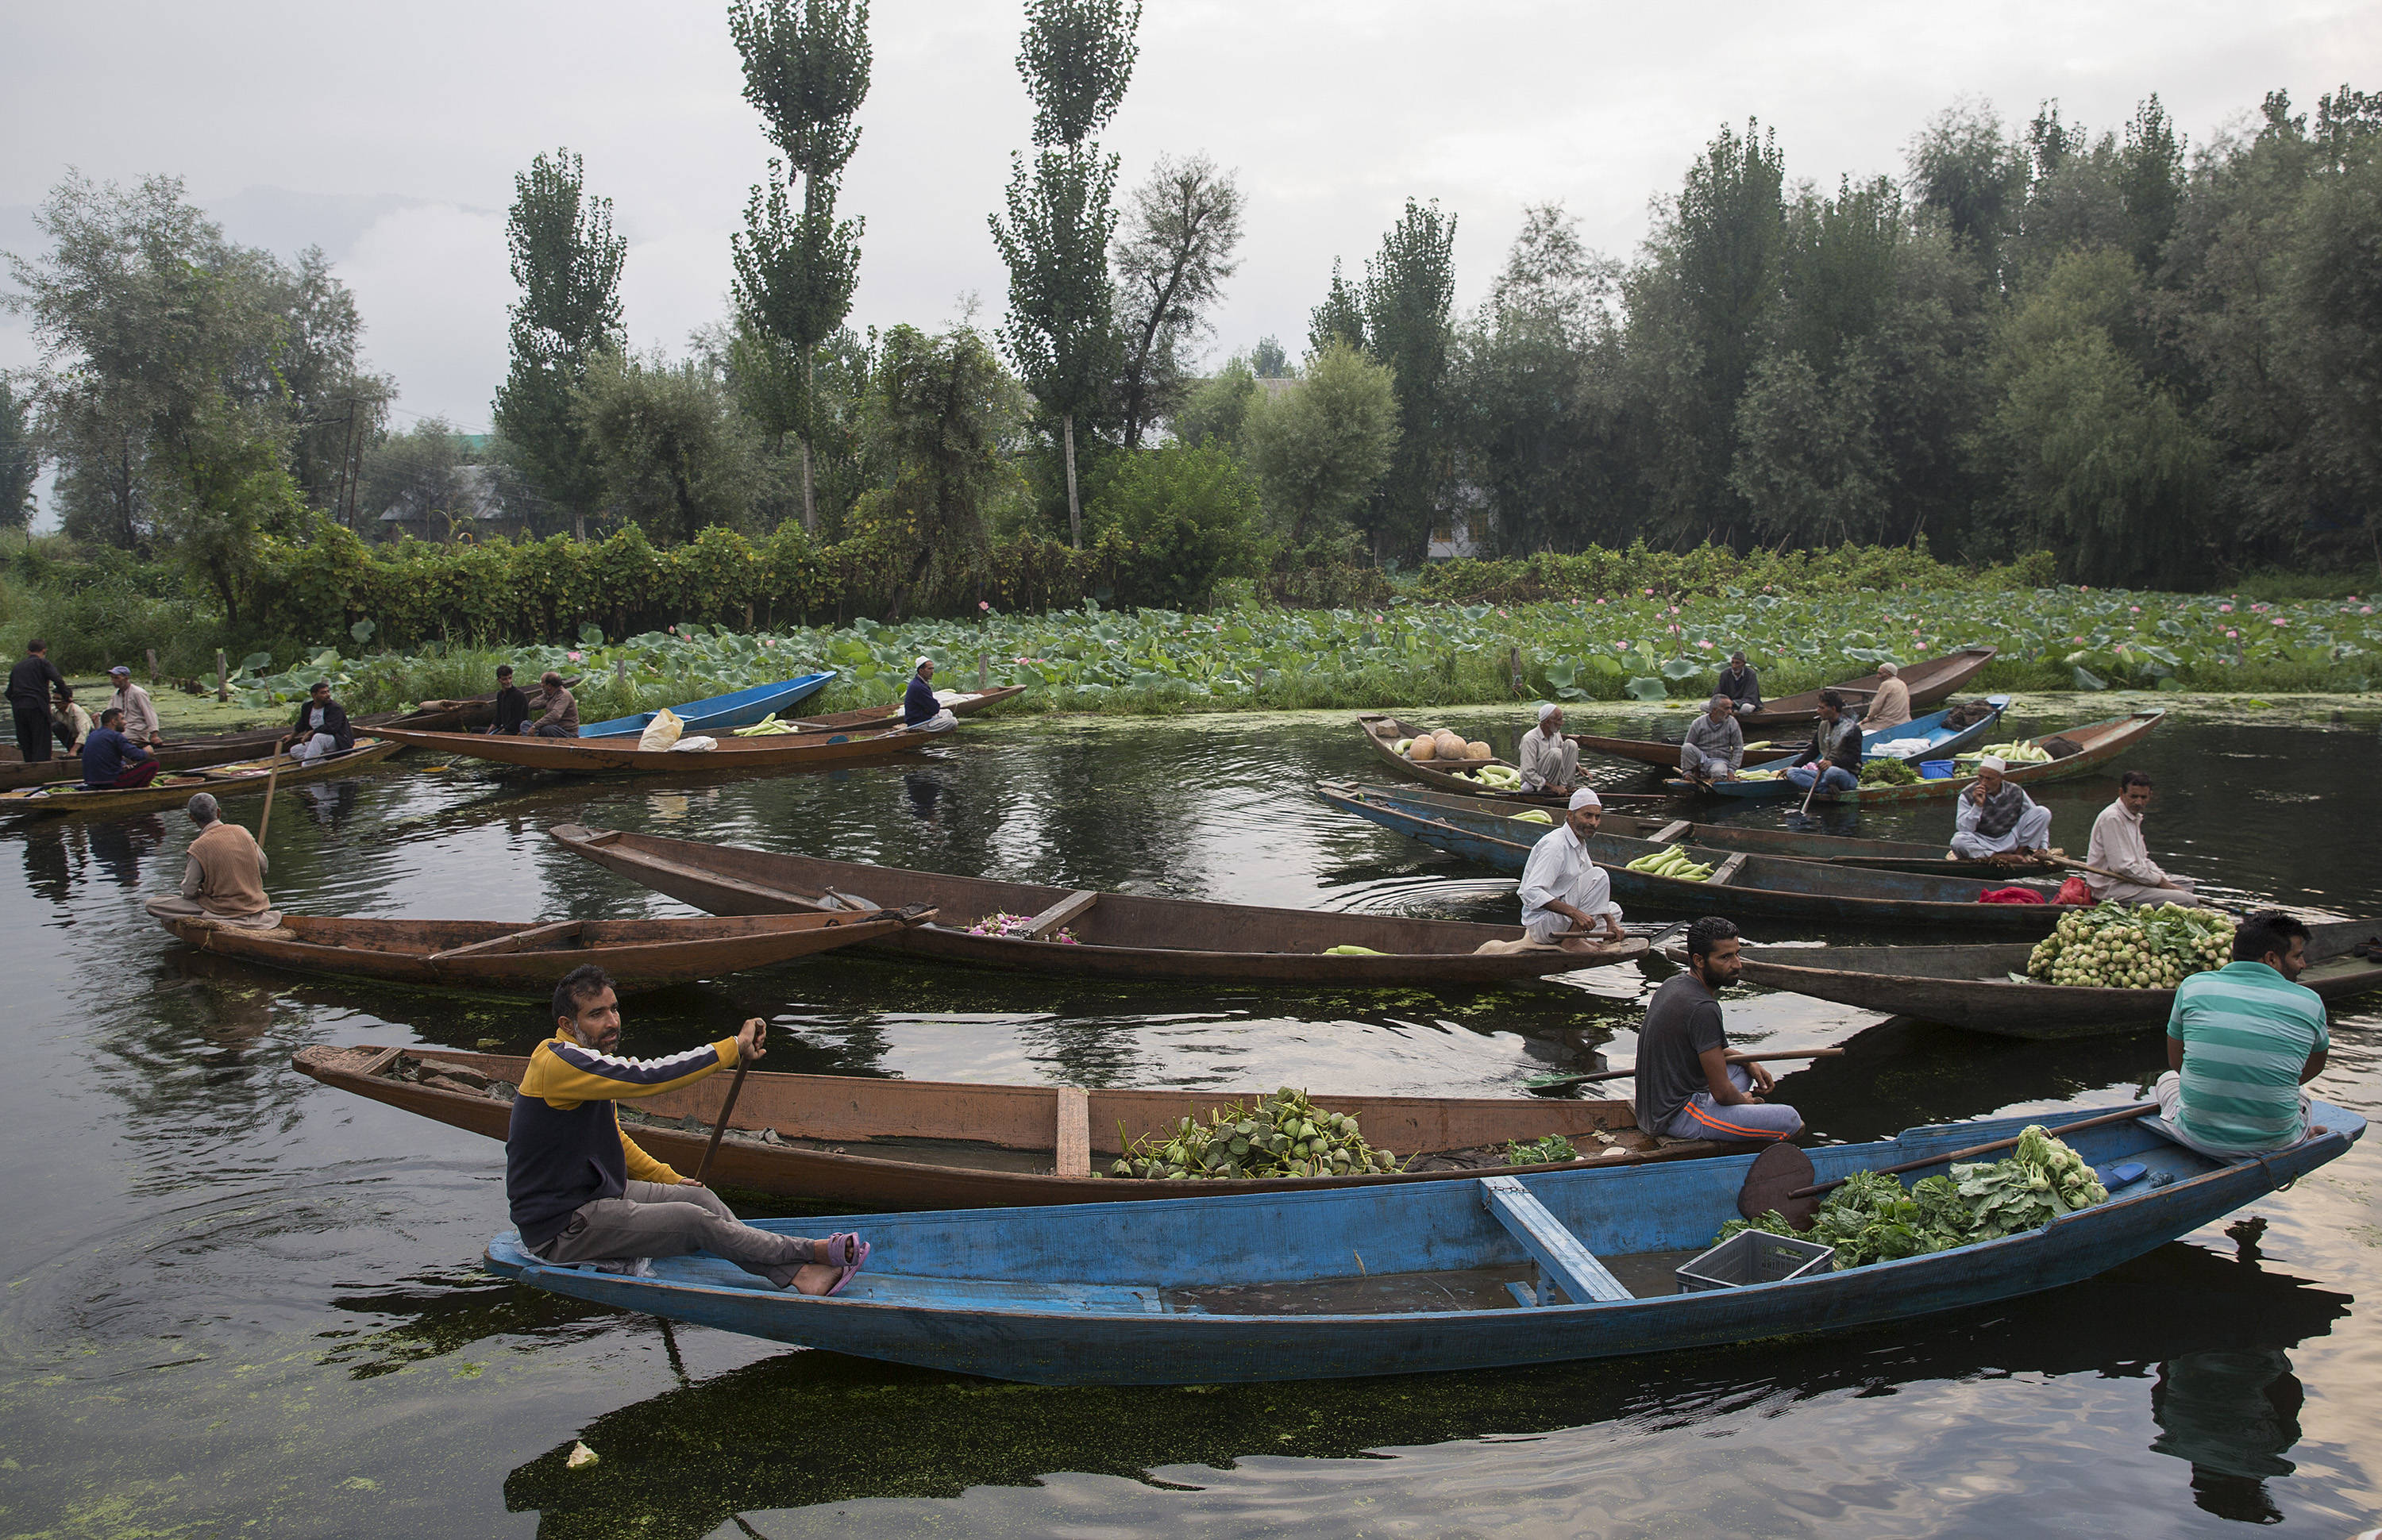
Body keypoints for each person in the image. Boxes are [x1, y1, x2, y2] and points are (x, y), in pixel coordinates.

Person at [508, 965, 868, 1294]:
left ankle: (797, 1274)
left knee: (699, 1199)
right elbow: (650, 1076)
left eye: (614, 1009)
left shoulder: (590, 1064)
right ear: (568, 1025)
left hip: (598, 1195)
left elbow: (614, 1138)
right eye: (596, 1014)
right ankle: (810, 1253)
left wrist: (671, 1179)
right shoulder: (560, 1063)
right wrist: (732, 1048)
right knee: (693, 1221)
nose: (613, 1022)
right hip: (562, 1227)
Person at [2153, 911, 2330, 1158]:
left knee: (2167, 1079)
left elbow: (2177, 1064)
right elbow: (2314, 1067)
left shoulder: (2193, 986)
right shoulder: (2311, 1002)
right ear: (2271, 959)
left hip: (2195, 1137)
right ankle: (2300, 1132)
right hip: (2277, 1141)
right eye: (2297, 956)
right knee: (2300, 1096)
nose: (2303, 965)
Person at [1634, 916, 1803, 1144]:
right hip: (1675, 1116)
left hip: (1659, 1105)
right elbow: (1723, 1093)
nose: (1737, 964)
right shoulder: (1704, 1008)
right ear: (1699, 960)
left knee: (1742, 1069)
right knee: (1791, 1120)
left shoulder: (1673, 984)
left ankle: (1733, 1108)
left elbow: (1713, 1054)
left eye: (1737, 953)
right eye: (1725, 957)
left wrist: (1749, 1061)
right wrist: (1745, 1103)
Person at [143, 792, 279, 928]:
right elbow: (264, 868)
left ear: (191, 818)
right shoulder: (242, 831)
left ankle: (224, 919)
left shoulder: (198, 847)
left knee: (153, 904)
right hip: (255, 904)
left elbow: (189, 891)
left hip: (222, 910)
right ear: (218, 812)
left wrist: (203, 893)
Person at [1517, 787, 1625, 949]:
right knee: (1599, 875)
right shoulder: (1555, 845)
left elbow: (1592, 890)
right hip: (1542, 924)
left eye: (1597, 817)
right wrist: (1576, 914)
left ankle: (1579, 937)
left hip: (1561, 921)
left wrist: (1611, 923)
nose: (1593, 823)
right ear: (1570, 816)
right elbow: (1531, 892)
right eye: (1587, 815)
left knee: (1614, 910)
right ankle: (1572, 941)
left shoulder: (1579, 843)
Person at [2087, 771, 2199, 906]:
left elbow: (2143, 860)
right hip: (2114, 888)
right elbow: (2122, 867)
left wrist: (2162, 878)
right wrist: (2160, 882)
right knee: (2189, 900)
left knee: (2186, 884)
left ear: (2150, 796)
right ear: (2121, 793)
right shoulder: (2113, 818)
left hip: (2133, 881)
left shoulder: (2134, 817)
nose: (2139, 802)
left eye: (2143, 797)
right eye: (2134, 796)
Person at [1952, 755, 2052, 860]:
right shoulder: (1967, 794)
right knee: (1958, 841)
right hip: (1982, 841)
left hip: (2010, 838)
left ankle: (2020, 852)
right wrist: (1977, 806)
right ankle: (1998, 857)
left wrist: (2043, 847)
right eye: (1980, 777)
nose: (1984, 783)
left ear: (2001, 778)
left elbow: (2039, 819)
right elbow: (1964, 829)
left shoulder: (2015, 791)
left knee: (2043, 812)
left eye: (1989, 779)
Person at [1783, 690, 1860, 794]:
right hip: (1823, 773)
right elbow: (1814, 750)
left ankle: (1819, 787)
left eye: (1822, 708)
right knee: (1792, 773)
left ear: (1833, 709)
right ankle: (1825, 790)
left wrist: (1832, 763)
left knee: (1832, 772)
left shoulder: (1852, 728)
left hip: (1845, 775)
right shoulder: (1823, 725)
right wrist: (1794, 765)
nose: (1818, 711)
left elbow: (1854, 757)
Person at [7, 638, 71, 763]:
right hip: (37, 706)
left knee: (25, 740)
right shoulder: (43, 663)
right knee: (41, 740)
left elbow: (9, 692)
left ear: (28, 652)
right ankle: (42, 768)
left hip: (18, 708)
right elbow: (58, 680)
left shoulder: (17, 667)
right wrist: (67, 696)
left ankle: (29, 767)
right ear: (44, 651)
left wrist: (19, 702)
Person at [78, 707, 160, 788]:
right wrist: (147, 752)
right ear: (114, 722)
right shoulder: (116, 736)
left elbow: (108, 756)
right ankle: (140, 790)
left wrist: (123, 764)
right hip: (111, 782)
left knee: (126, 765)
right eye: (122, 719)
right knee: (153, 763)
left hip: (92, 781)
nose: (125, 722)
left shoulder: (93, 734)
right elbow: (136, 756)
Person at [1679, 695, 1745, 785]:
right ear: (1714, 710)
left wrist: (1732, 769)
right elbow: (1688, 745)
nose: (1730, 712)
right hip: (1701, 758)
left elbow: (1738, 747)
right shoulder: (1698, 722)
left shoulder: (1732, 723)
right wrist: (1686, 771)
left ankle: (1708, 774)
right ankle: (1694, 773)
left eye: (1731, 708)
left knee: (1718, 773)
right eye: (1726, 709)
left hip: (1720, 760)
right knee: (1687, 747)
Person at [287, 681, 354, 764]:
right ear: (314, 695)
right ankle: (321, 762)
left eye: (328, 692)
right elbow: (302, 723)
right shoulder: (307, 707)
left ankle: (307, 766)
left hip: (337, 741)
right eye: (323, 693)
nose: (328, 695)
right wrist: (291, 736)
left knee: (318, 737)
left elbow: (331, 728)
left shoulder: (335, 708)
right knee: (295, 750)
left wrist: (311, 732)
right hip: (318, 742)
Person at [1517, 702, 1578, 793]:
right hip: (1536, 784)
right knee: (1556, 753)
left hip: (1556, 778)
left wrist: (1578, 767)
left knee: (1571, 744)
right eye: (1559, 720)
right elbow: (1527, 773)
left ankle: (1568, 787)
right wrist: (1552, 787)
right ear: (1547, 723)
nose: (1562, 723)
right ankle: (1550, 789)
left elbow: (1565, 754)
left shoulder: (1555, 733)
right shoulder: (1530, 739)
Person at [106, 665, 162, 745]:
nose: (113, 681)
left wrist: (154, 735)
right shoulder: (116, 694)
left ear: (126, 678)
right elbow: (109, 713)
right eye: (112, 678)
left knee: (115, 739)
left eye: (116, 678)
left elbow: (149, 713)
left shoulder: (138, 693)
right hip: (122, 729)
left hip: (136, 731)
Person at [902, 656, 956, 732]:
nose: (932, 672)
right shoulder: (918, 687)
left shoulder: (920, 682)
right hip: (918, 723)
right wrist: (932, 709)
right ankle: (919, 729)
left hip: (925, 717)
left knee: (947, 712)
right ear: (921, 671)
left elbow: (933, 707)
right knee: (952, 722)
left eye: (933, 668)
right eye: (929, 669)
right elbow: (935, 708)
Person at [1864, 662, 1912, 732]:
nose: (1878, 676)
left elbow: (1876, 706)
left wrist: (1869, 718)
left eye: (1880, 674)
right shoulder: (1902, 683)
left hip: (1887, 723)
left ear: (1889, 674)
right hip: (1905, 721)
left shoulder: (1886, 684)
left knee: (1855, 729)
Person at [531, 672, 580, 737]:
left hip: (566, 732)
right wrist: (547, 702)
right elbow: (532, 704)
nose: (540, 685)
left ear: (549, 686)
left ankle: (536, 737)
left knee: (547, 730)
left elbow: (555, 715)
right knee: (525, 724)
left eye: (542, 683)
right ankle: (536, 737)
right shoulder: (548, 694)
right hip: (552, 727)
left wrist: (535, 726)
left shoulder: (563, 695)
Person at [488, 664, 532, 736]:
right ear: (499, 680)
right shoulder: (500, 694)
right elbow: (498, 717)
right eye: (505, 679)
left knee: (497, 737)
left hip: (516, 730)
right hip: (504, 728)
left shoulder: (519, 695)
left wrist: (499, 733)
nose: (508, 681)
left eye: (510, 678)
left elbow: (518, 720)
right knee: (475, 730)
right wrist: (488, 733)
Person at [1717, 652, 1761, 717]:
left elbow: (1751, 697)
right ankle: (1729, 712)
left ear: (1743, 664)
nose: (1734, 666)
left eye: (1737, 663)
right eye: (1733, 662)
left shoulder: (1751, 674)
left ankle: (1734, 714)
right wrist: (1725, 702)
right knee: (1703, 705)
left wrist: (1734, 702)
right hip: (1727, 705)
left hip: (1743, 705)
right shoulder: (1725, 674)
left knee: (1746, 708)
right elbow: (1719, 693)